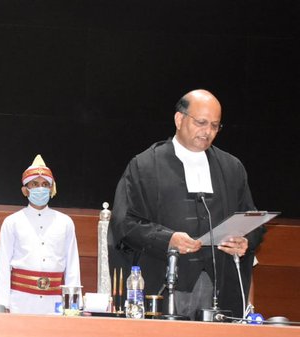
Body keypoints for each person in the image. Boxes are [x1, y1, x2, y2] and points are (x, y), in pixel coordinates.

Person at [109, 89, 264, 319]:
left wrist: (245, 241)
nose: (208, 131)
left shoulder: (232, 168)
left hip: (219, 285)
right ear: (179, 119)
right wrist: (167, 239)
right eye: (201, 122)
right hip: (163, 282)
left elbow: (254, 222)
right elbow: (125, 223)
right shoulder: (144, 166)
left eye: (215, 125)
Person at [0, 155, 81, 314]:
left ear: (51, 189)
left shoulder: (65, 222)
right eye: (35, 184)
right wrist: (2, 304)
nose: (41, 188)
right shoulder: (12, 222)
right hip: (20, 301)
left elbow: (72, 266)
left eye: (45, 184)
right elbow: (3, 266)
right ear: (25, 190)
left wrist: (72, 306)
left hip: (55, 302)